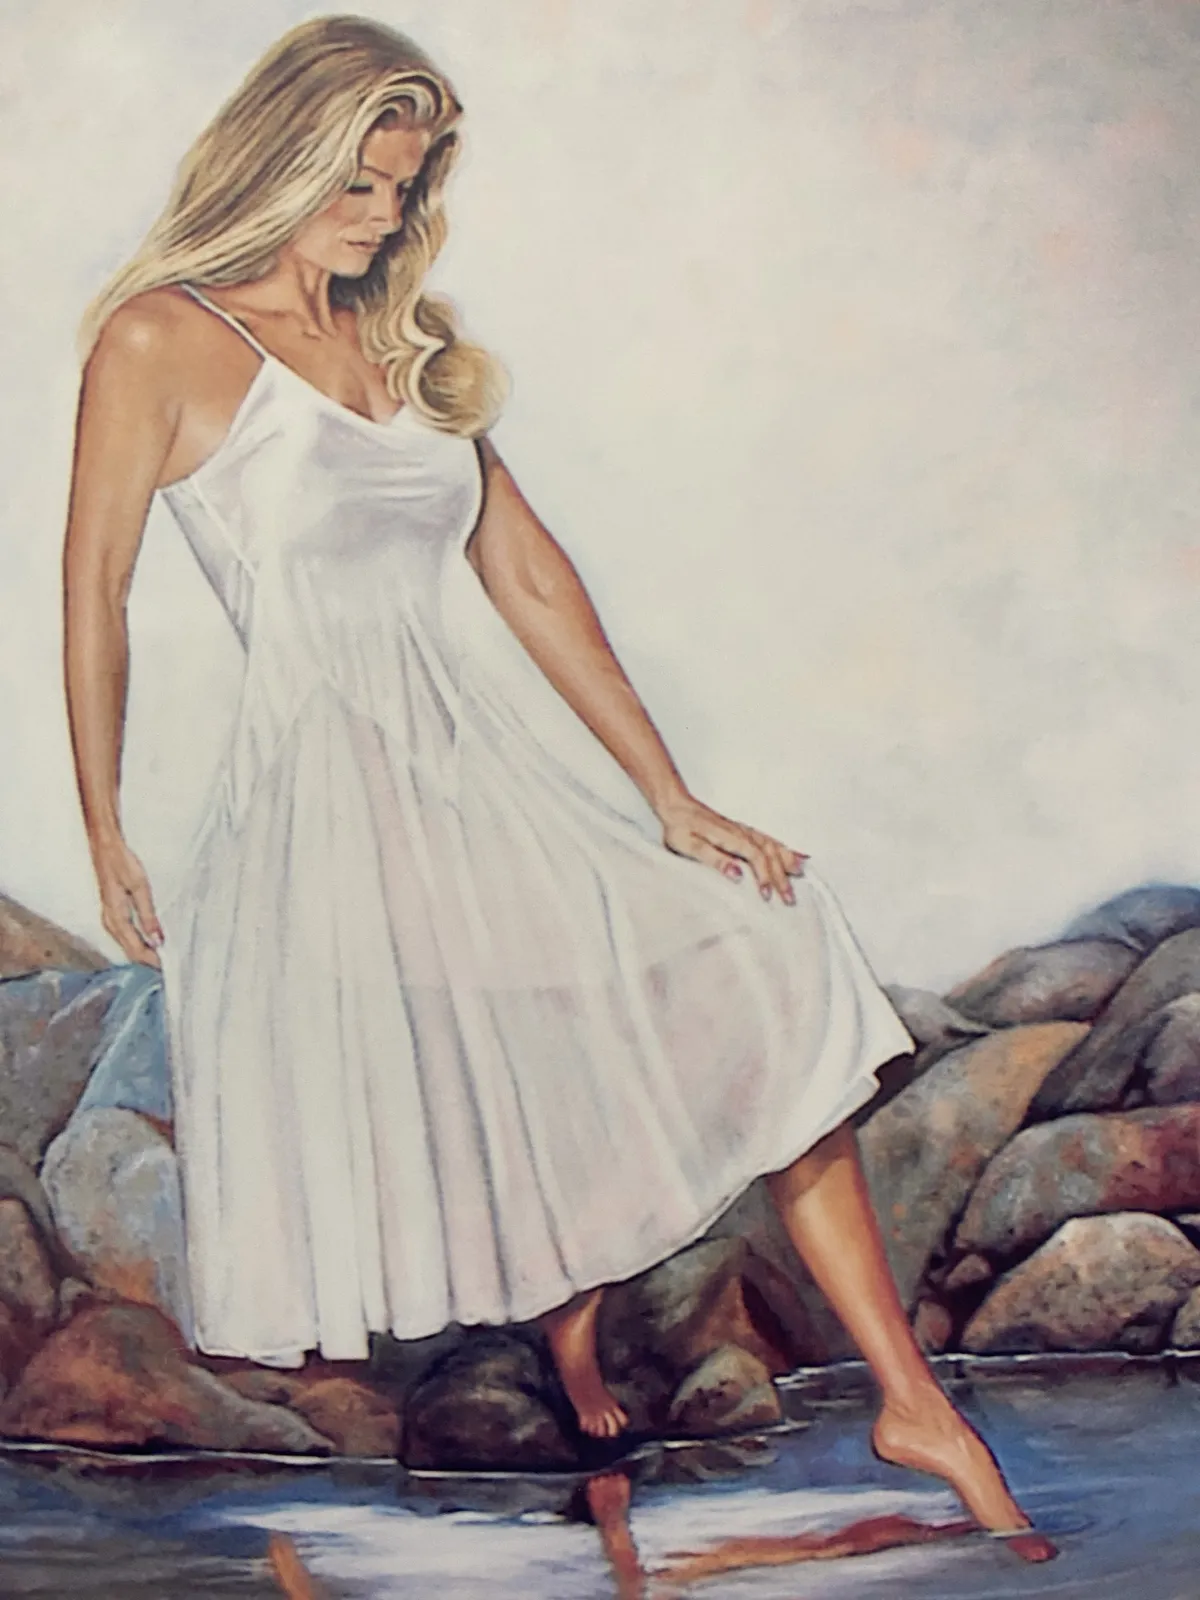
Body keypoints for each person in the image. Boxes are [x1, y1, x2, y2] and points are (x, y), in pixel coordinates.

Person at [61, 14, 1048, 1549]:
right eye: (356, 185)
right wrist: (104, 823)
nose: (382, 216)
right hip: (326, 808)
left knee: (768, 952)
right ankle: (554, 1359)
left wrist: (669, 796)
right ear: (281, 158)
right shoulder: (159, 340)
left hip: (480, 771)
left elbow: (524, 573)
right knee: (499, 1066)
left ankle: (908, 1398)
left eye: (403, 188)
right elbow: (94, 587)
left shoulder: (405, 346)